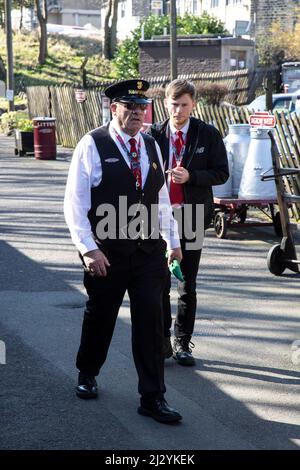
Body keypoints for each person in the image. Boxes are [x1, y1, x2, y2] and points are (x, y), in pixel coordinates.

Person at [64, 79, 183, 424]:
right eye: (129, 107)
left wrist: (173, 241)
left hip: (147, 253)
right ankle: (87, 372)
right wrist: (88, 249)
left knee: (151, 322)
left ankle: (153, 397)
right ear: (113, 108)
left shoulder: (150, 145)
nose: (136, 113)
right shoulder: (92, 144)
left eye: (141, 108)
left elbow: (160, 199)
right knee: (101, 316)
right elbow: (75, 204)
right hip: (107, 252)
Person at [149, 79, 229, 366]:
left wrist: (192, 177)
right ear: (165, 103)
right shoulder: (153, 135)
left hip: (192, 215)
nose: (179, 110)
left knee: (186, 282)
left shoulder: (207, 134)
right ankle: (161, 341)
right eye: (174, 104)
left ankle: (182, 342)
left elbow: (222, 173)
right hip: (158, 217)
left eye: (184, 105)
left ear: (193, 104)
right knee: (158, 281)